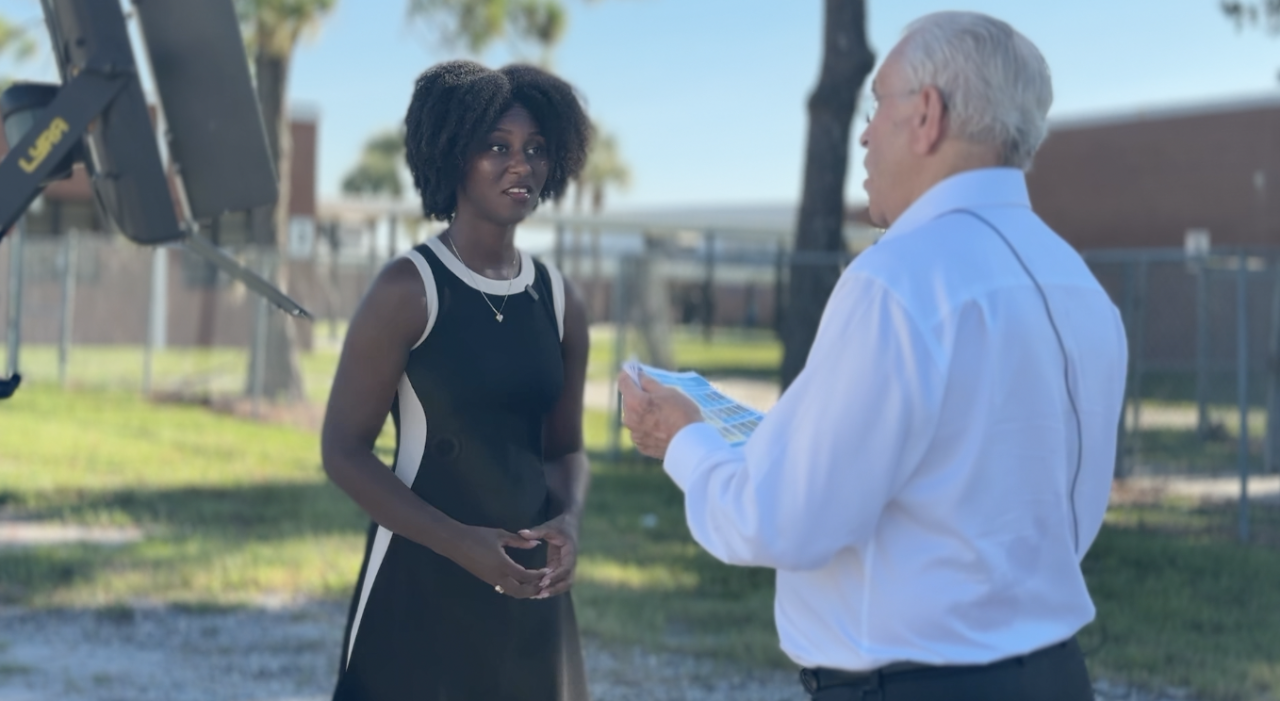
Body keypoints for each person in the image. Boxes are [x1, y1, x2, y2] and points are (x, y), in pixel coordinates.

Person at [618, 11, 1127, 701]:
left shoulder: (899, 280)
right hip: (1055, 676)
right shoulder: (1076, 282)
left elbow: (780, 519)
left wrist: (684, 438)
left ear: (926, 114)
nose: (863, 134)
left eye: (876, 104)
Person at [321, 60, 592, 701]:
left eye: (535, 149)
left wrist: (570, 522)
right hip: (419, 582)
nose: (520, 164)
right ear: (453, 156)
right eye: (497, 146)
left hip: (529, 586)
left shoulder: (558, 300)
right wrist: (461, 544)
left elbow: (565, 450)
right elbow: (343, 451)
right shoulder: (408, 288)